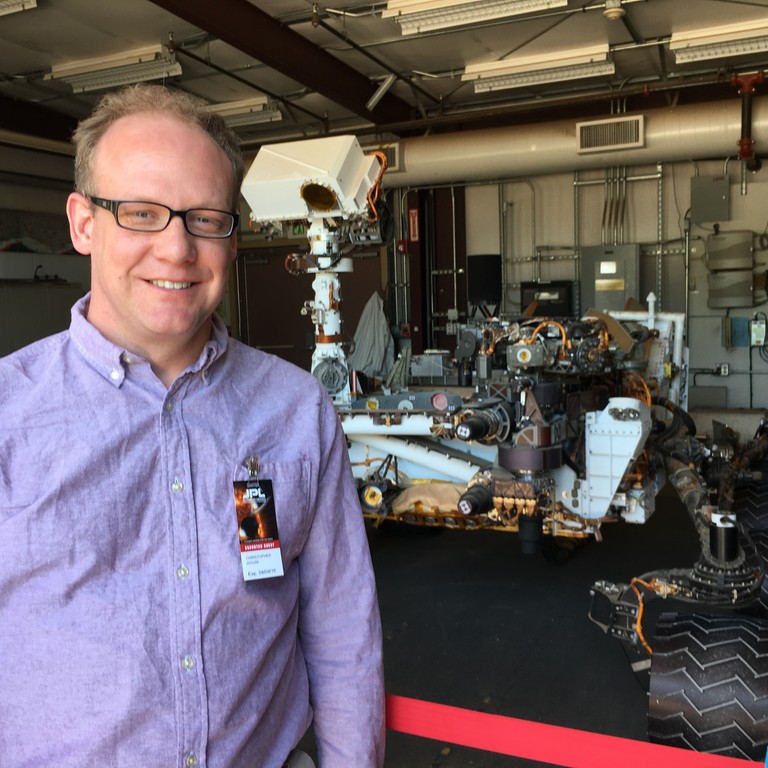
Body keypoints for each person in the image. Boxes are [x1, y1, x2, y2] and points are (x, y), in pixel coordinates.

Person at [0, 84, 385, 768]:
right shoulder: (10, 415)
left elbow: (341, 627)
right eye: (141, 213)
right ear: (84, 223)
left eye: (206, 218)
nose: (177, 249)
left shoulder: (296, 411)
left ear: (232, 237)